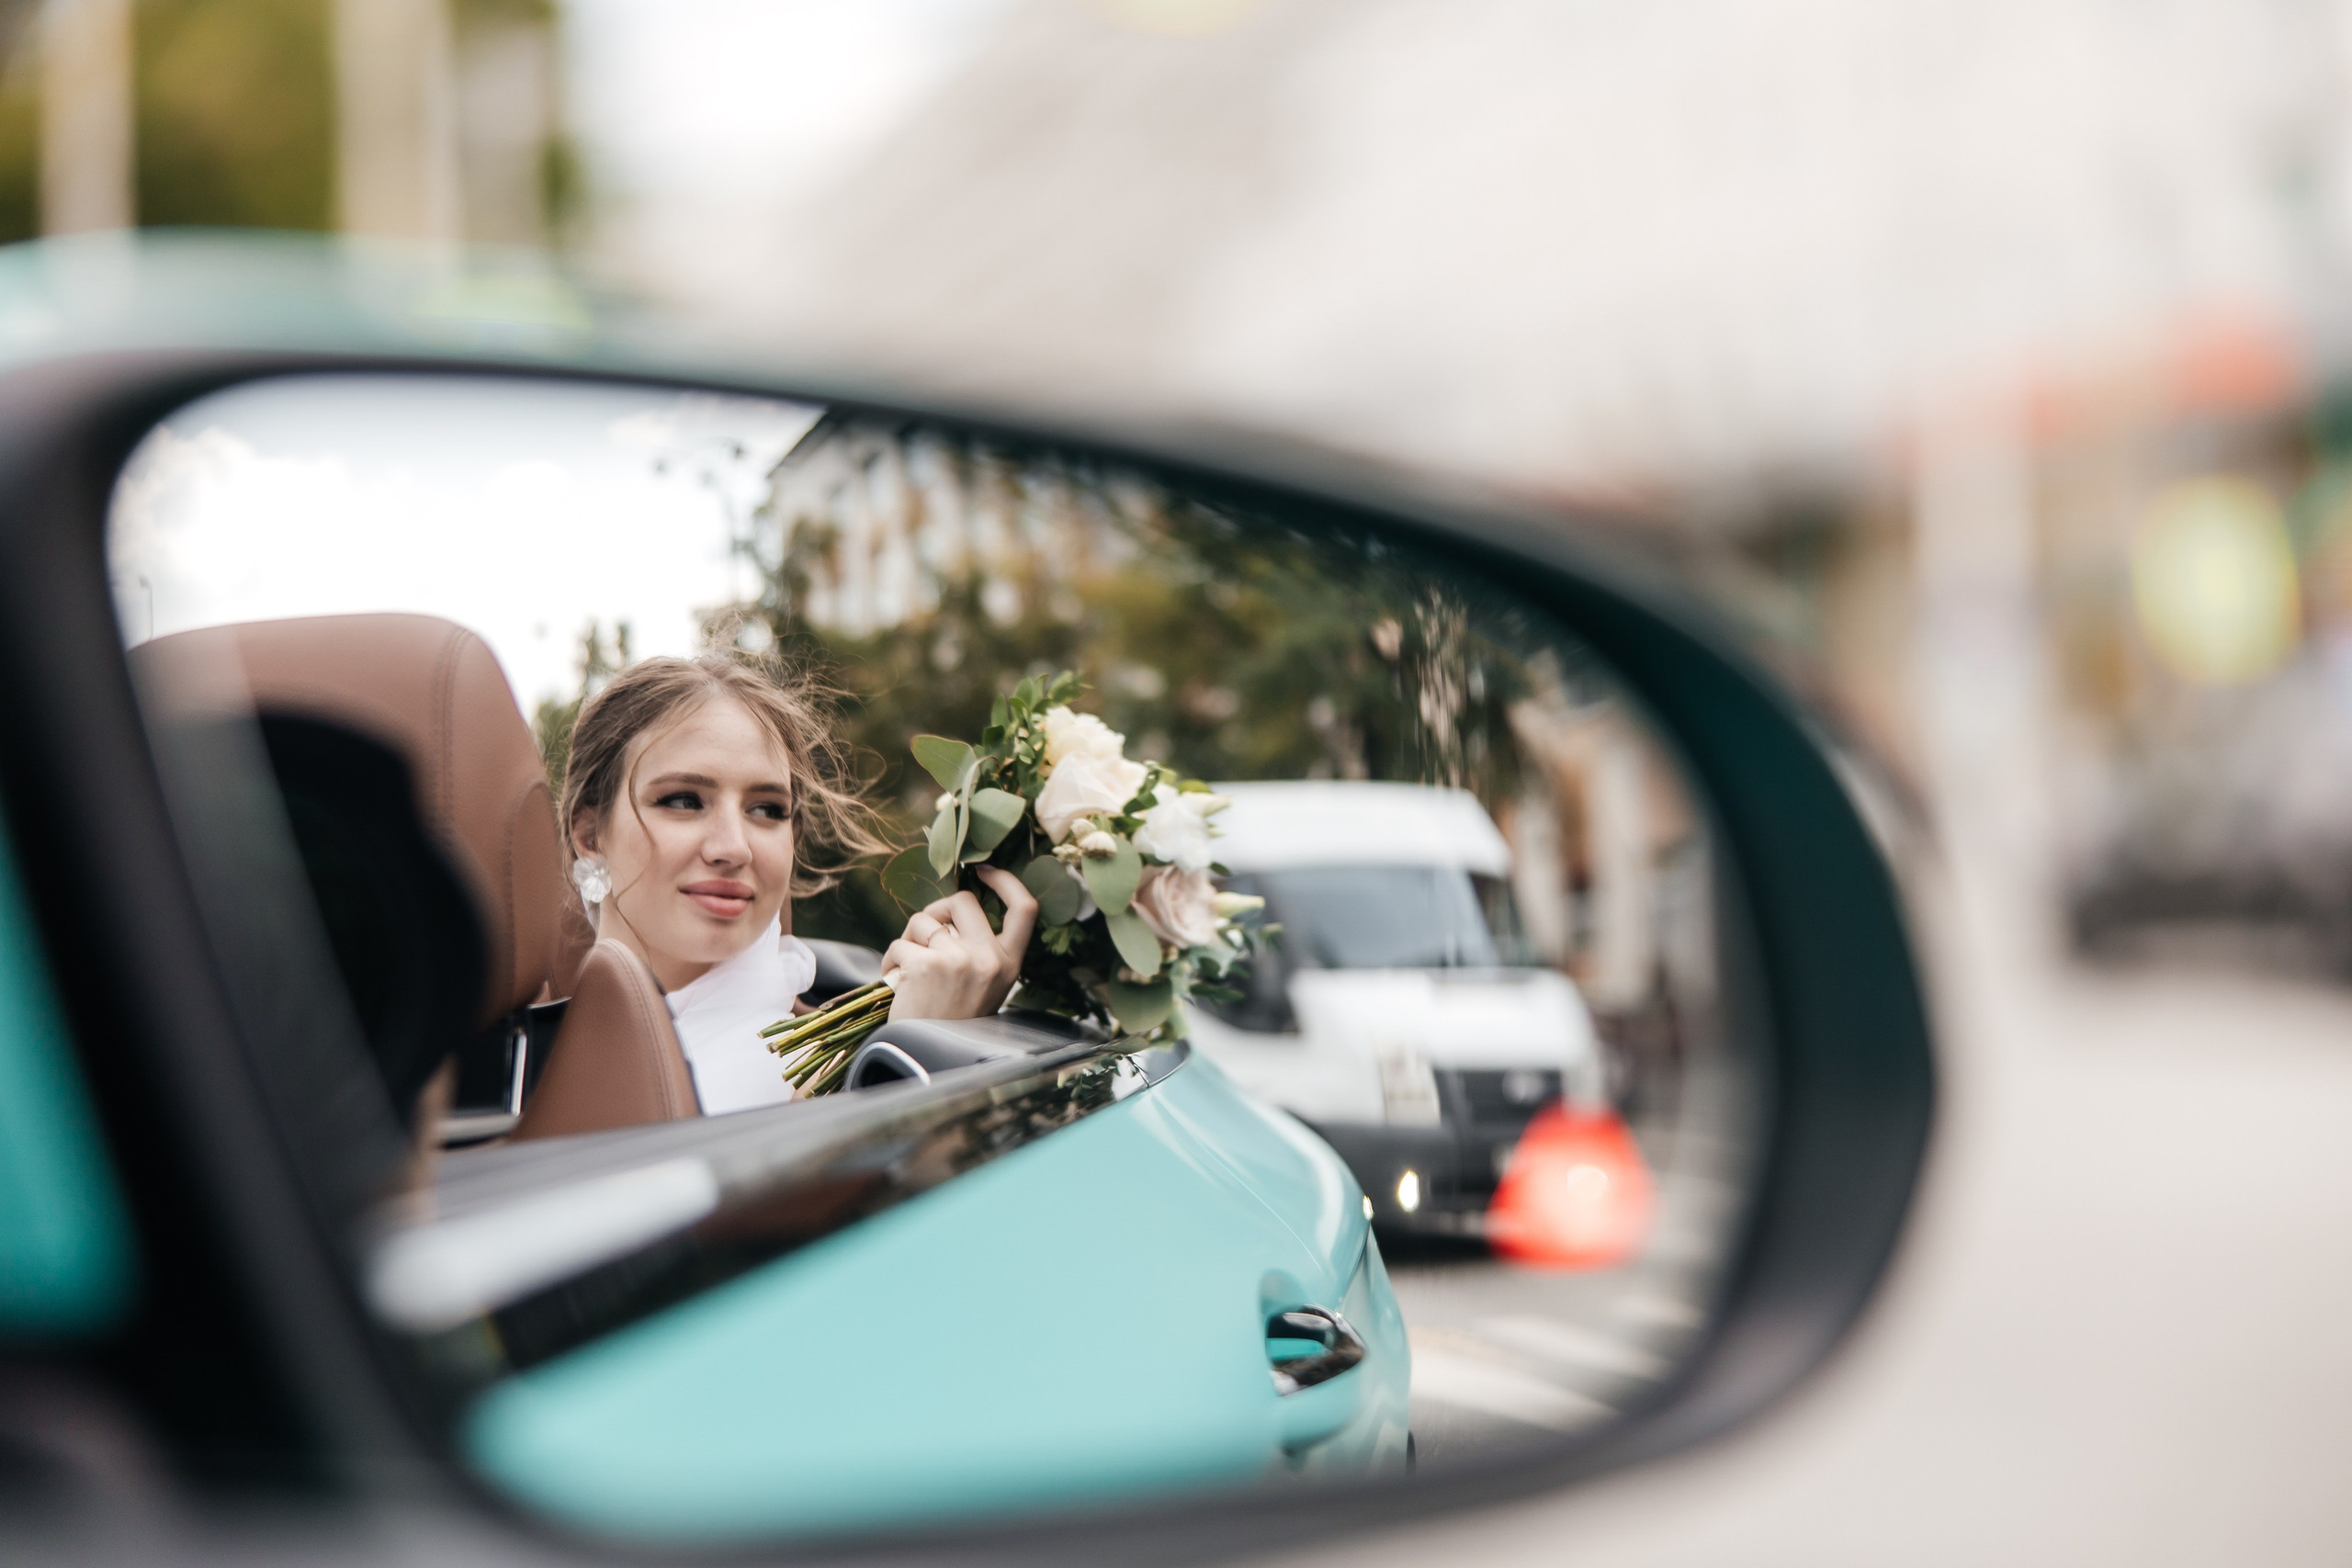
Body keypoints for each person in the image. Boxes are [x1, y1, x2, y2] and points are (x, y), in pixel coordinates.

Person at [559, 651, 1037, 1114]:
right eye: (684, 801)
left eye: (766, 810)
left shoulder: (828, 1072)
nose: (735, 847)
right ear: (589, 836)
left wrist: (913, 1050)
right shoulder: (516, 1067)